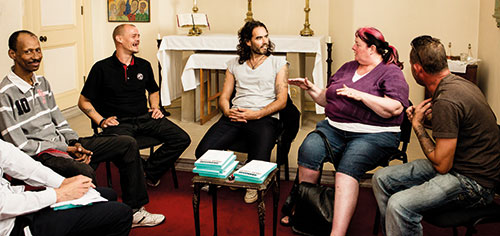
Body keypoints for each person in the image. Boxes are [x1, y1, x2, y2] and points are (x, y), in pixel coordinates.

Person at [0, 30, 165, 228]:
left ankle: (135, 210)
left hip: (63, 145)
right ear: (13, 54)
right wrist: (66, 150)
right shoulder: (5, 93)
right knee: (83, 169)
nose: (36, 56)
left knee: (126, 143)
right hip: (39, 154)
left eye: (38, 50)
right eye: (28, 52)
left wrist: (75, 143)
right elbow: (19, 144)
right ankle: (95, 223)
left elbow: (59, 119)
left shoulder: (42, 82)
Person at [372, 35, 500, 236]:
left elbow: (442, 165)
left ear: (417, 69)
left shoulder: (447, 101)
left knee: (399, 205)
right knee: (381, 178)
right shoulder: (460, 84)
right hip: (458, 165)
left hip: (475, 183)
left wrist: (418, 126)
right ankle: (394, 230)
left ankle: (398, 223)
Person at [287, 27, 409, 235]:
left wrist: (361, 95)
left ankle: (337, 232)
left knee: (347, 167)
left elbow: (395, 108)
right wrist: (311, 88)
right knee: (309, 148)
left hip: (374, 134)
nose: (353, 47)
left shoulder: (391, 72)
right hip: (334, 129)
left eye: (358, 45)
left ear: (372, 49)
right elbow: (328, 99)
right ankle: (306, 212)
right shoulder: (347, 67)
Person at [78, 24, 191, 187]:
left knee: (181, 139)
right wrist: (101, 121)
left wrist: (155, 107)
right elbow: (83, 102)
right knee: (124, 148)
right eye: (133, 36)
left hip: (145, 118)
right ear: (119, 39)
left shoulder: (144, 65)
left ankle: (148, 171)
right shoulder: (101, 68)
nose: (138, 39)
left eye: (138, 36)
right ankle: (139, 176)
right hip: (119, 123)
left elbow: (153, 91)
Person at [195, 20, 289, 203]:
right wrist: (227, 111)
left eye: (266, 36)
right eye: (259, 38)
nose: (265, 41)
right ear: (248, 41)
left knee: (260, 160)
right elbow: (224, 96)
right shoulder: (233, 64)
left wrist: (257, 114)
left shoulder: (279, 64)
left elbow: (282, 100)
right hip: (236, 114)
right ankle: (230, 172)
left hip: (264, 116)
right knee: (203, 151)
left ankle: (250, 184)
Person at [0, 139, 132, 236]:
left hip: (14, 206)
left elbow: (19, 162)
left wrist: (64, 183)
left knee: (107, 194)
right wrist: (59, 194)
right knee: (121, 213)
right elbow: (3, 206)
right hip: (11, 226)